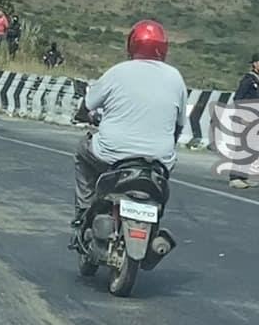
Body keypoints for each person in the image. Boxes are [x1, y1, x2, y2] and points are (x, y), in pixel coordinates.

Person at [72, 19, 188, 225]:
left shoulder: (118, 71)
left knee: (82, 153)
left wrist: (83, 116)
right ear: (163, 48)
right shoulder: (175, 78)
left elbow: (87, 106)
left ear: (131, 45)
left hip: (112, 154)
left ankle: (82, 212)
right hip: (159, 160)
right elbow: (178, 126)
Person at [228, 52, 259, 189]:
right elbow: (238, 99)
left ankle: (243, 176)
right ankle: (235, 177)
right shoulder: (248, 80)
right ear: (254, 63)